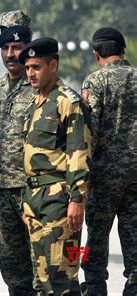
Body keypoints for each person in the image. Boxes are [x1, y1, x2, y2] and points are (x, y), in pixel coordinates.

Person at [19, 38, 92, 295]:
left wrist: (77, 199)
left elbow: (79, 152)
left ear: (53, 65)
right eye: (27, 68)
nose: (30, 73)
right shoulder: (34, 105)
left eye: (36, 67)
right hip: (35, 201)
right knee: (41, 280)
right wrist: (25, 201)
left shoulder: (67, 101)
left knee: (61, 279)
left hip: (60, 202)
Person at [80, 27, 137, 296]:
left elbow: (88, 129)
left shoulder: (94, 82)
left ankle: (93, 287)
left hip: (103, 178)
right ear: (123, 51)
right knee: (135, 237)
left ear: (96, 53)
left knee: (96, 238)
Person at [0, 12, 38, 295]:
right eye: (5, 48)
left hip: (35, 191)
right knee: (12, 267)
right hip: (5, 189)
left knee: (43, 267)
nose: (10, 54)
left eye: (16, 47)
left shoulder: (40, 85)